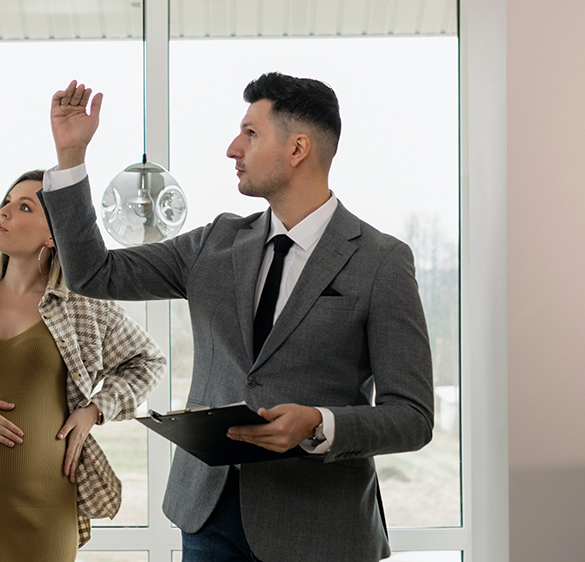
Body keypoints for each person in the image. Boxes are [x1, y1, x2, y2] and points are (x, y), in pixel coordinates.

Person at [39, 75, 435, 561]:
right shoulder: (214, 244)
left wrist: (319, 423)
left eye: (250, 133)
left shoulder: (380, 261)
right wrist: (71, 159)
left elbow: (412, 418)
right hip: (208, 516)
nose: (232, 148)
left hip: (320, 528)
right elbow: (95, 273)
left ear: (297, 149)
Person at [0, 170, 166, 561]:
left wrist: (95, 411)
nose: (6, 211)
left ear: (53, 235)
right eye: (7, 202)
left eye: (25, 206)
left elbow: (148, 361)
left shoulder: (85, 305)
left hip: (46, 506)